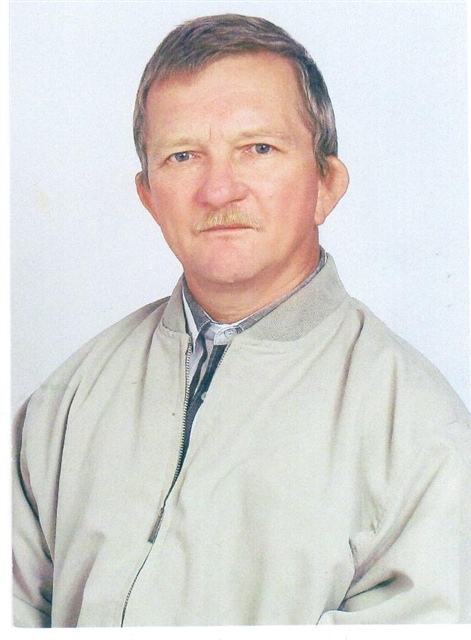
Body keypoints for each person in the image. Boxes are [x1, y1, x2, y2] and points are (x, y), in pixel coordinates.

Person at [12, 13, 470, 627]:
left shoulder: (418, 432)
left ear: (326, 183)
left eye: (259, 149)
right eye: (182, 156)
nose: (219, 190)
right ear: (149, 196)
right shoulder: (64, 404)